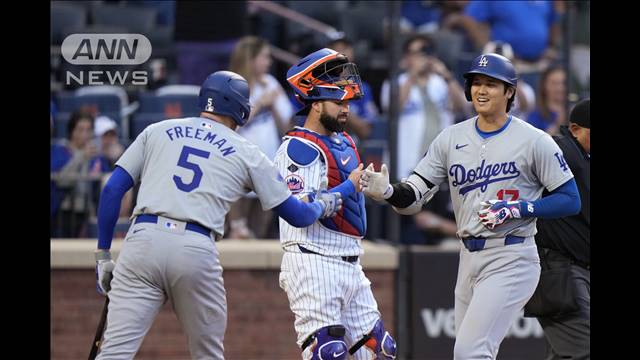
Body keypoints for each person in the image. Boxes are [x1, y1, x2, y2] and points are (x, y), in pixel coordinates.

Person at [93, 71, 343, 360]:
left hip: (142, 241)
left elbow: (112, 190)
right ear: (242, 109)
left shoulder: (157, 129)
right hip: (194, 247)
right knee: (207, 355)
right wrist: (323, 204)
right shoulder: (248, 151)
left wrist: (102, 254)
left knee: (113, 354)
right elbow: (297, 214)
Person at [360, 53, 581, 359]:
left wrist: (523, 209)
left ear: (510, 92)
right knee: (469, 353)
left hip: (512, 253)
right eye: (476, 82)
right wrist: (387, 192)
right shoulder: (451, 138)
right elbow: (414, 194)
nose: (481, 90)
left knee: (471, 352)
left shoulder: (534, 140)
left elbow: (570, 198)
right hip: (468, 255)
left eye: (491, 84)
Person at [275, 48, 397, 360]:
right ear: (315, 105)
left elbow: (348, 195)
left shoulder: (345, 141)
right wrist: (348, 186)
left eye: (346, 102)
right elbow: (300, 211)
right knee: (329, 353)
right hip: (313, 260)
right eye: (337, 102)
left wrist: (377, 191)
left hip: (351, 262)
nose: (346, 109)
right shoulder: (298, 148)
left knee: (381, 351)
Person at [524, 99, 590, 360]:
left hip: (576, 269)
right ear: (574, 129)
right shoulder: (562, 149)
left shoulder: (583, 156)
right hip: (558, 269)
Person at [226, 36, 294, 239]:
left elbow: (287, 129)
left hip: (268, 160)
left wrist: (272, 106)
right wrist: (260, 104)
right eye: (264, 57)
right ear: (250, 58)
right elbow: (229, 125)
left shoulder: (271, 83)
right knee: (237, 231)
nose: (269, 62)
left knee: (260, 231)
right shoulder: (232, 84)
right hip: (238, 160)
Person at [381, 33, 468, 180]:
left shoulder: (441, 83)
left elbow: (463, 107)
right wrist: (413, 74)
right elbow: (393, 109)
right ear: (406, 58)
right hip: (405, 162)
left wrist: (446, 75)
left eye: (425, 52)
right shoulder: (396, 83)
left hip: (440, 165)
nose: (421, 57)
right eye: (416, 53)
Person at [51, 109, 110, 237]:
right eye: (80, 129)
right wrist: (81, 156)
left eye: (88, 130)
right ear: (72, 131)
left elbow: (106, 182)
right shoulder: (60, 150)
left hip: (88, 215)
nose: (85, 134)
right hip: (62, 214)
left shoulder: (97, 157)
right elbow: (62, 181)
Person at [327, 37, 380, 144]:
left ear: (352, 53)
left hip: (350, 147)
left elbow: (366, 131)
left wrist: (341, 107)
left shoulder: (361, 88)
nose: (341, 54)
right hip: (322, 146)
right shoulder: (316, 85)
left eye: (345, 49)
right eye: (336, 50)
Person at [483, 40, 536, 121]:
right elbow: (471, 107)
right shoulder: (475, 87)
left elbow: (525, 107)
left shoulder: (526, 89)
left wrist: (513, 79)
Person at [526, 66, 567, 135]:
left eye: (563, 83)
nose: (560, 88)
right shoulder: (536, 115)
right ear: (544, 86)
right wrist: (557, 124)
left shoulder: (575, 111)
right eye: (554, 83)